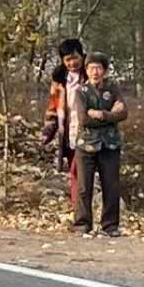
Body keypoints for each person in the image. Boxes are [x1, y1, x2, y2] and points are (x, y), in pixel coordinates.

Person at [71, 52, 127, 237]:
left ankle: (110, 226)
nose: (95, 72)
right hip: (86, 144)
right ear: (86, 70)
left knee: (111, 185)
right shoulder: (81, 91)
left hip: (110, 144)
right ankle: (82, 224)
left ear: (105, 70)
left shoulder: (113, 88)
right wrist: (110, 115)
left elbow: (123, 112)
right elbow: (84, 119)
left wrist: (102, 114)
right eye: (91, 68)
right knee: (84, 186)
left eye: (99, 68)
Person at [56, 38, 88, 207]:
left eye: (75, 58)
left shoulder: (90, 75)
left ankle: (81, 210)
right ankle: (77, 208)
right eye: (68, 59)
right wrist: (49, 130)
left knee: (80, 169)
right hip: (68, 131)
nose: (72, 63)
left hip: (87, 130)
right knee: (74, 171)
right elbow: (53, 106)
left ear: (82, 56)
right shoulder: (61, 79)